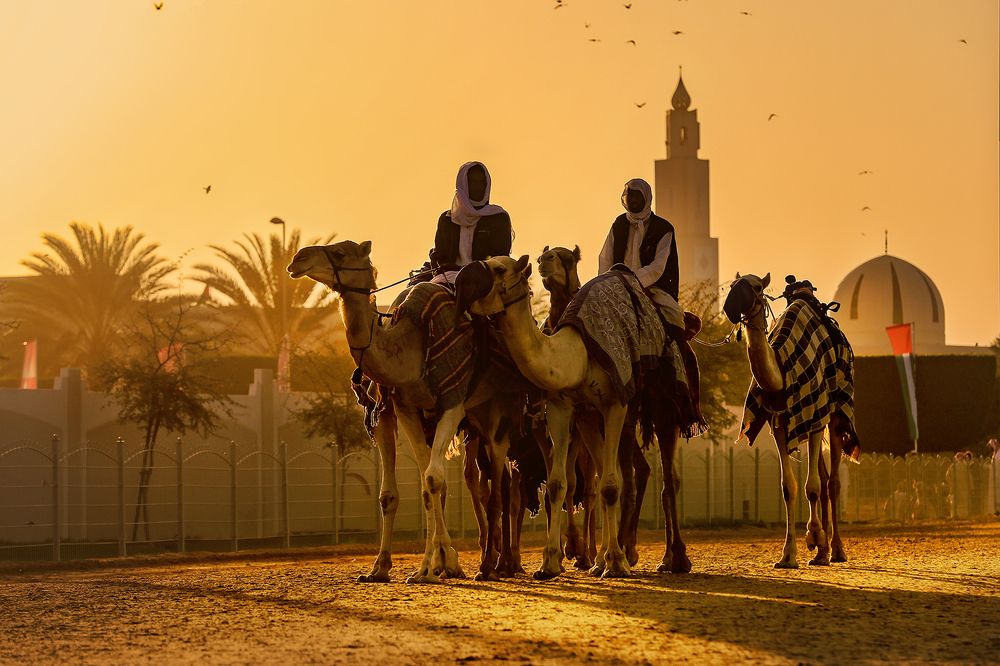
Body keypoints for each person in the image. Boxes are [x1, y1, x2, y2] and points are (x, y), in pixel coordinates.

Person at [597, 178, 684, 340]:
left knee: (675, 317)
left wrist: (634, 280)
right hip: (617, 285)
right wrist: (606, 284)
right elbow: (605, 258)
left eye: (637, 196)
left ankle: (678, 360)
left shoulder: (663, 229)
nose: (633, 200)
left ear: (646, 198)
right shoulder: (619, 224)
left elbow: (658, 267)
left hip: (652, 287)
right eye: (630, 196)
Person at [429, 161, 512, 285]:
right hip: (448, 277)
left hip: (487, 278)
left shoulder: (498, 218)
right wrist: (446, 267)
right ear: (463, 185)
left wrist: (473, 271)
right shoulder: (447, 219)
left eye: (482, 183)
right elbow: (441, 255)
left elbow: (500, 257)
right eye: (473, 182)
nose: (478, 187)